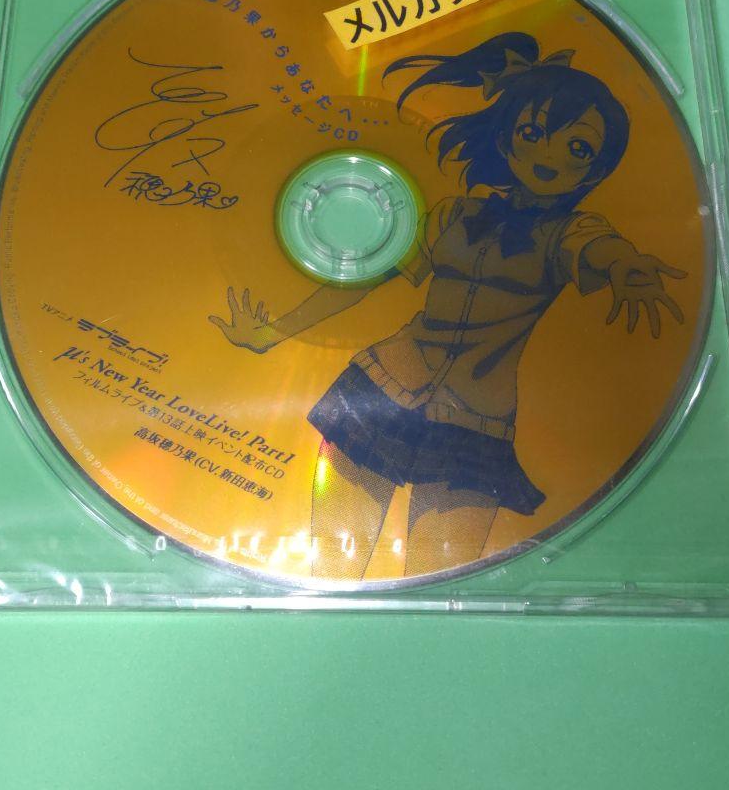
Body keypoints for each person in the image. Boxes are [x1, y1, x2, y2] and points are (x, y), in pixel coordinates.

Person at [210, 32, 686, 580]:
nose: (548, 156)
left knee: (439, 576)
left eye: (578, 148)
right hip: (379, 388)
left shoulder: (569, 233)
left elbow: (600, 250)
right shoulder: (453, 215)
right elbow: (364, 280)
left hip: (475, 422)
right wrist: (272, 332)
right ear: (505, 136)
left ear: (597, 169)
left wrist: (628, 268)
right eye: (533, 133)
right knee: (330, 567)